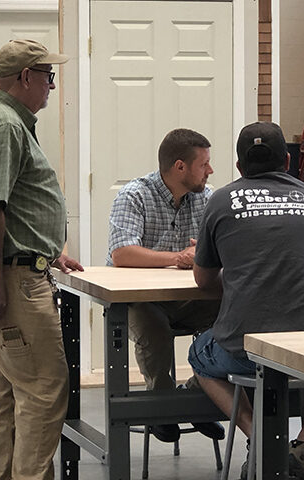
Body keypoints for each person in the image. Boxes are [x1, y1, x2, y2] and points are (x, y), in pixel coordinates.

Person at [0, 39, 83, 480]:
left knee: (3, 387)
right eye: (48, 76)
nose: (51, 85)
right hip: (9, 279)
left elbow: (13, 203)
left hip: (10, 268)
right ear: (26, 77)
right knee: (45, 388)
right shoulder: (4, 125)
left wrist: (48, 251)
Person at [189, 122, 304, 480]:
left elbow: (203, 279)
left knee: (199, 354)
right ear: (287, 161)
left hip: (246, 347)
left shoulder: (222, 200)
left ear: (240, 166)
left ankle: (256, 436)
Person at [107, 128, 223, 443]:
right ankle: (163, 404)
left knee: (232, 312)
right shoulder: (134, 195)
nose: (210, 171)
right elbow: (122, 253)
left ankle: (197, 398)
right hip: (141, 302)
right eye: (204, 164)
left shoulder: (207, 197)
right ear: (180, 167)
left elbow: (219, 245)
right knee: (153, 326)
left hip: (189, 299)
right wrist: (178, 257)